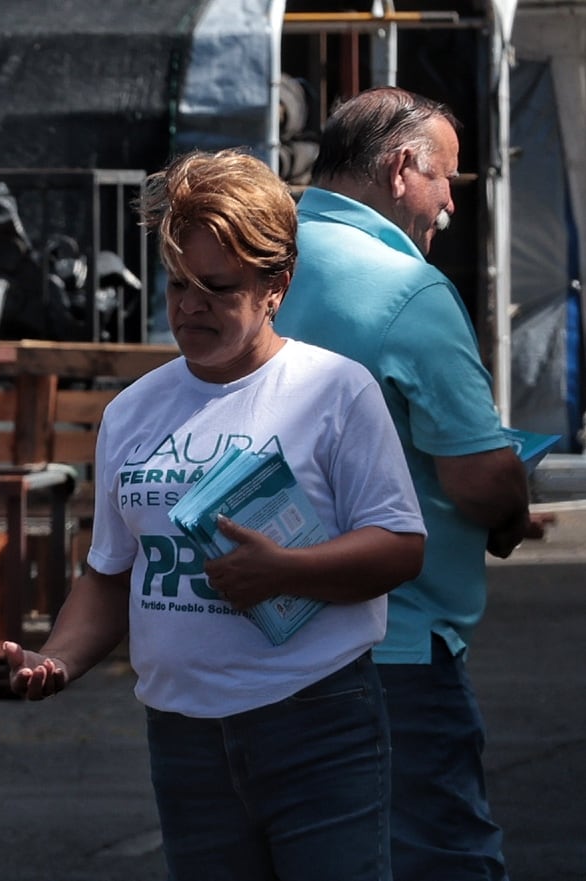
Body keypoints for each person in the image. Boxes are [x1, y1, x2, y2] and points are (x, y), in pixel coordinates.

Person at [4, 148, 426, 881]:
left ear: (277, 286)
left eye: (217, 287)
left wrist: (287, 571)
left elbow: (400, 546)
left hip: (315, 718)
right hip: (183, 736)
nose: (191, 305)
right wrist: (59, 657)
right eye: (178, 284)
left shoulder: (335, 391)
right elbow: (109, 573)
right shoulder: (133, 410)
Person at [275, 87, 536, 881]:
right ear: (399, 170)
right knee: (437, 859)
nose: (451, 204)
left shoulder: (257, 258)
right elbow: (480, 478)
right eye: (445, 179)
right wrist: (511, 508)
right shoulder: (407, 287)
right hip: (392, 644)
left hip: (259, 635)